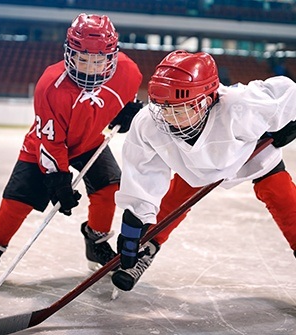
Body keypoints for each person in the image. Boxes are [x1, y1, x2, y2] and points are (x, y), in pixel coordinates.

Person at [0, 13, 143, 282]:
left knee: (110, 188)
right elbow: (51, 141)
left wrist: (126, 113)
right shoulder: (51, 85)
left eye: (97, 60)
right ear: (69, 54)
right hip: (44, 145)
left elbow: (124, 101)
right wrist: (58, 179)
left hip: (89, 142)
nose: (89, 68)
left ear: (111, 57)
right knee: (18, 200)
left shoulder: (129, 72)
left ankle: (95, 242)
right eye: (82, 59)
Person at [111, 50, 296, 291]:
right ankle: (148, 248)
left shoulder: (240, 104)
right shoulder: (149, 123)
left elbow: (288, 91)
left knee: (285, 200)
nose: (168, 118)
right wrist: (135, 221)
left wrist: (290, 120)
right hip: (196, 167)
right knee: (172, 205)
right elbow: (144, 172)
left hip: (250, 155)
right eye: (163, 108)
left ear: (206, 101)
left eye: (178, 110)